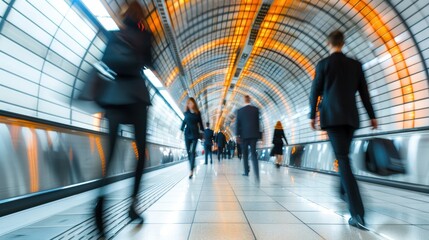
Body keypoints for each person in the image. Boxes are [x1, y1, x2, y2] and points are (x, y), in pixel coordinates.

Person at [92, 1, 153, 237]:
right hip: (137, 95)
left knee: (109, 155)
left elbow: (105, 63)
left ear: (123, 16)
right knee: (140, 153)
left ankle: (100, 203)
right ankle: (133, 206)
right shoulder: (146, 36)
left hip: (115, 96)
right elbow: (149, 64)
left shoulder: (114, 35)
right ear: (141, 16)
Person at [309, 30, 377, 230]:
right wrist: (372, 116)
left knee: (343, 160)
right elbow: (364, 93)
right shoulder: (355, 65)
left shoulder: (323, 65)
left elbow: (315, 90)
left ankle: (357, 213)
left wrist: (312, 115)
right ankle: (341, 191)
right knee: (343, 156)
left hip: (332, 118)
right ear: (343, 42)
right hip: (350, 118)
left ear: (329, 43)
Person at [236, 95, 261, 180]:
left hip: (244, 136)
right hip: (254, 135)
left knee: (245, 154)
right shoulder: (256, 110)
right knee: (254, 154)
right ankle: (257, 174)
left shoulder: (240, 111)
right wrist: (259, 135)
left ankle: (246, 172)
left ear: (244, 100)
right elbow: (258, 123)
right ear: (250, 100)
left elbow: (237, 124)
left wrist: (237, 135)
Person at [181, 97, 204, 179]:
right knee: (188, 152)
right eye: (188, 103)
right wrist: (181, 130)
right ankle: (192, 165)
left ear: (194, 104)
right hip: (187, 134)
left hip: (195, 135)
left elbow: (201, 124)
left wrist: (203, 133)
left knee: (193, 151)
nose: (190, 104)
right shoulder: (186, 113)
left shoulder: (198, 113)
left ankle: (191, 171)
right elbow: (184, 122)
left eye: (191, 103)